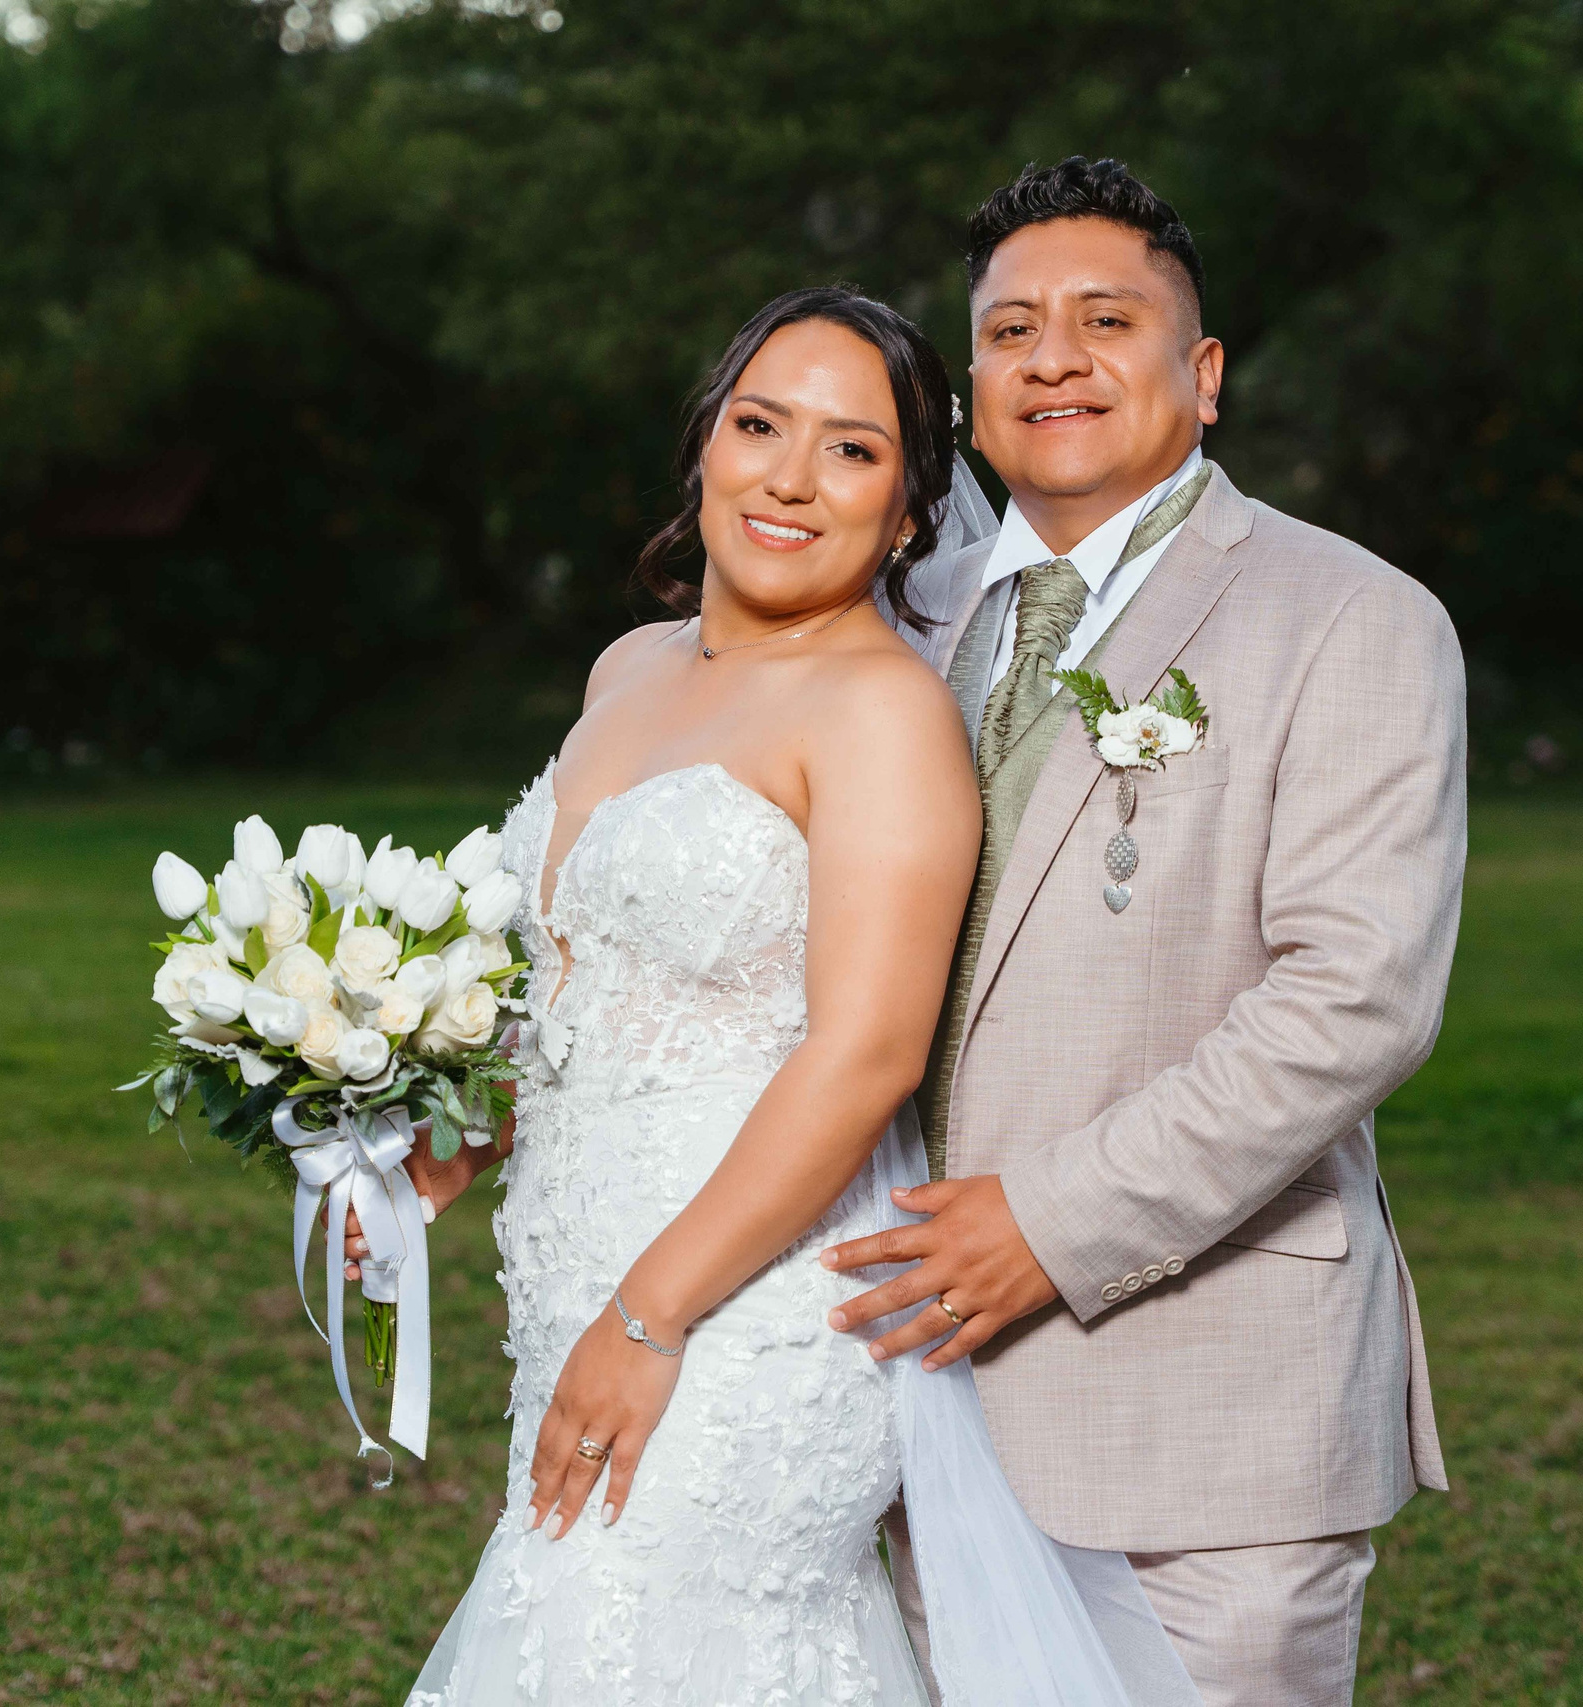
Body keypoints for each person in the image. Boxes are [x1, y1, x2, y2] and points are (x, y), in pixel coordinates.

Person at [820, 157, 1465, 1707]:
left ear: (1206, 372)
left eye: (1108, 320)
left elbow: (1354, 1001)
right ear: (968, 391)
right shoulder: (901, 623)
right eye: (1011, 329)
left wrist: (1047, 1221)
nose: (1055, 357)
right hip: (897, 1395)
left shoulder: (1350, 616)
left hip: (1204, 1392)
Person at [397, 285, 986, 1704]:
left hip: (743, 1318)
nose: (789, 476)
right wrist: (461, 1124)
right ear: (704, 447)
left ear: (909, 511)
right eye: (760, 424)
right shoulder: (628, 667)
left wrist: (650, 1319)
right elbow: (585, 974)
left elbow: (866, 1055)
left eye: (850, 450)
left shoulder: (883, 715)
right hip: (571, 1283)